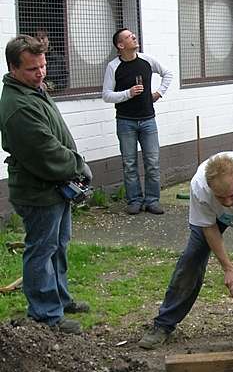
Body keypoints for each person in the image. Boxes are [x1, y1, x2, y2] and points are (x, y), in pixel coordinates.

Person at [139, 152, 233, 350]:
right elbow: (208, 228)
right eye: (222, 197)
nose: (229, 203)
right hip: (215, 217)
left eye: (232, 196)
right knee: (191, 260)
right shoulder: (200, 187)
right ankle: (164, 324)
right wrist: (228, 268)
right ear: (210, 188)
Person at [0, 35, 92, 334]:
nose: (40, 73)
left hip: (54, 187)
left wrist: (74, 168)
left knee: (58, 246)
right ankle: (45, 314)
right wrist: (79, 165)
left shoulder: (33, 90)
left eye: (43, 65)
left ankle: (60, 299)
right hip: (37, 192)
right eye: (31, 69)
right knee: (41, 250)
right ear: (13, 68)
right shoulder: (18, 106)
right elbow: (46, 151)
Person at [102, 28, 173, 215]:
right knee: (129, 163)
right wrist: (128, 93)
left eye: (133, 35)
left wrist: (159, 93)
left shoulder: (147, 60)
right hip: (125, 121)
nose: (133, 37)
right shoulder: (113, 66)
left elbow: (168, 74)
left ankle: (152, 201)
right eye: (128, 36)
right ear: (120, 45)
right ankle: (134, 200)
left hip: (148, 119)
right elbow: (106, 95)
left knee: (152, 161)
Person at [34, 27, 68, 92]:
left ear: (48, 39)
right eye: (38, 39)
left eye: (43, 38)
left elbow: (64, 80)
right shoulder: (31, 58)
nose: (41, 41)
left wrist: (48, 85)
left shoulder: (59, 58)